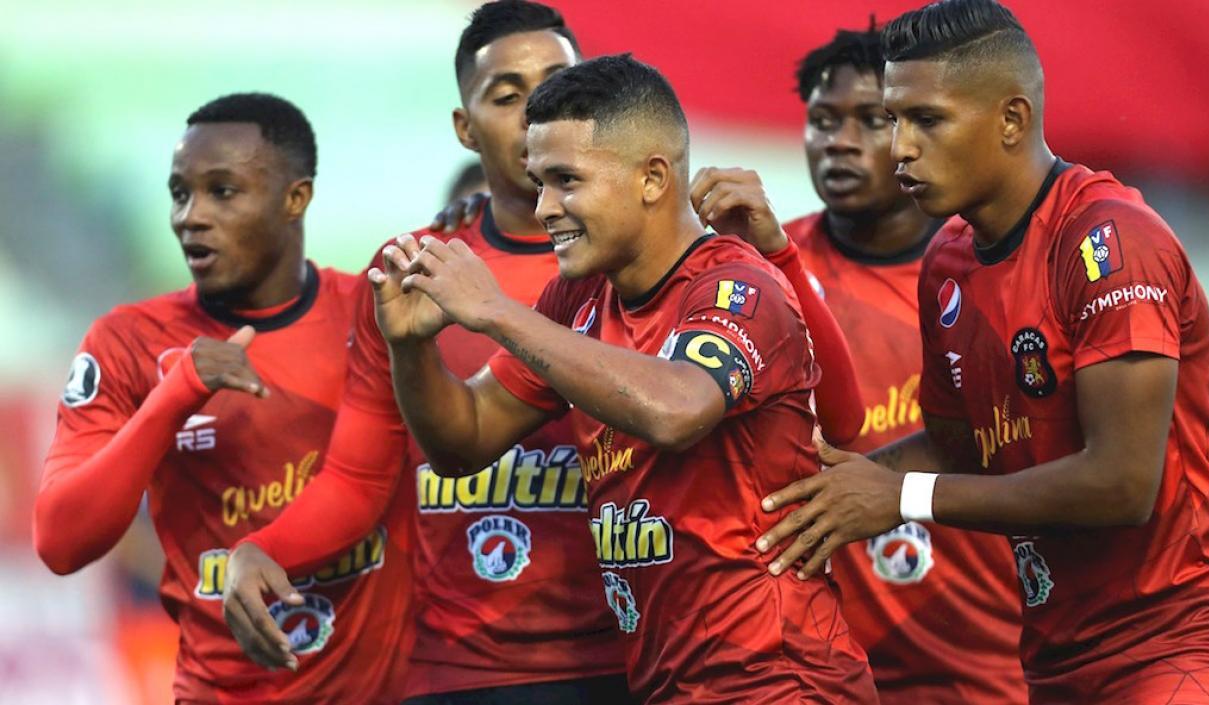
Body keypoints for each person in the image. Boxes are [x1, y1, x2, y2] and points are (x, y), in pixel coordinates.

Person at [757, 2, 1209, 703]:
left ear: (1013, 120)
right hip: (1053, 654)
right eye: (894, 120)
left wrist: (900, 496)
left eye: (925, 121)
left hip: (1183, 642)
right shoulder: (950, 262)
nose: (899, 148)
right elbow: (958, 443)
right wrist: (833, 489)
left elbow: (1121, 483)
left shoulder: (1109, 244)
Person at [374, 53, 876, 705]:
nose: (545, 205)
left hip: (777, 679)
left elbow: (678, 407)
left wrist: (495, 311)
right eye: (538, 180)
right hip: (668, 683)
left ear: (652, 178)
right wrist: (411, 349)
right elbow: (463, 440)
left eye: (566, 180)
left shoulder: (737, 285)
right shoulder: (578, 296)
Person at [222, 3, 636, 703]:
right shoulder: (410, 270)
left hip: (636, 659)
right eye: (508, 96)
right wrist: (265, 548)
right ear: (464, 127)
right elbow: (358, 474)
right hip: (458, 671)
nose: (539, 110)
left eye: (561, 83)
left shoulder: (646, 261)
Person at [33, 93, 412, 704]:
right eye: (180, 194)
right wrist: (175, 394)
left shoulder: (372, 318)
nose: (191, 216)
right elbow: (60, 540)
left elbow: (379, 478)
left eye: (222, 192)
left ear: (296, 198)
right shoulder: (127, 342)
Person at [689, 25, 1027, 705]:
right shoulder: (759, 270)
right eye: (821, 120)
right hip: (822, 664)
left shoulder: (991, 272)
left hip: (990, 655)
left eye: (871, 120)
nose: (838, 140)